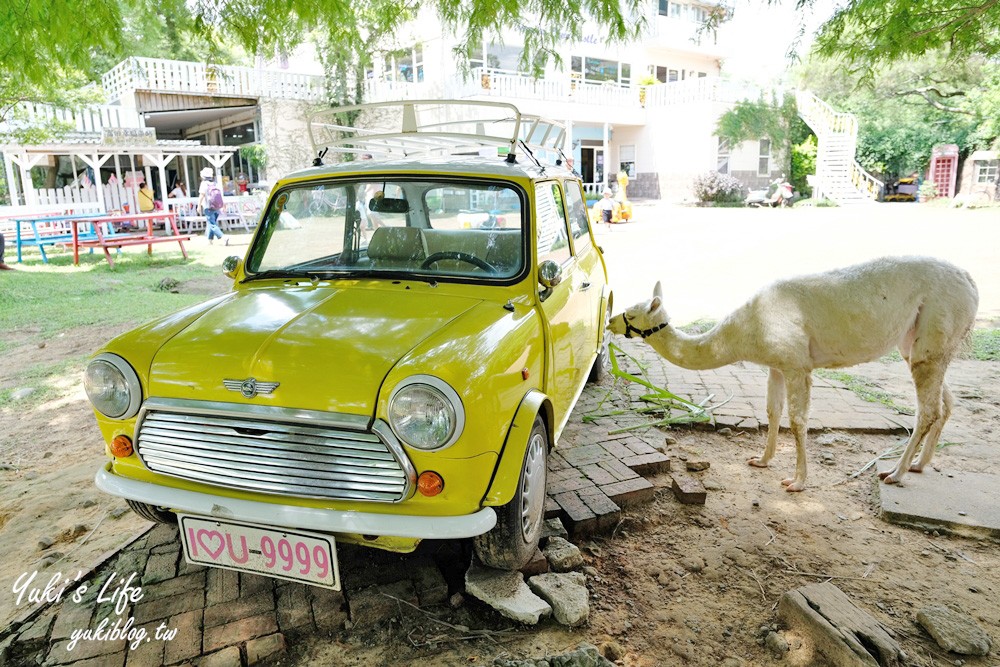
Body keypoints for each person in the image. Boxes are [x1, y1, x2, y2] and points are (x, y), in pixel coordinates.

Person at [198, 166, 228, 245]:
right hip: (216, 206)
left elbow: (202, 195)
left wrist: (199, 206)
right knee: (212, 222)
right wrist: (223, 205)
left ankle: (223, 237)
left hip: (208, 207)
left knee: (212, 224)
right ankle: (210, 240)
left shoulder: (204, 184)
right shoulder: (215, 183)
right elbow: (220, 195)